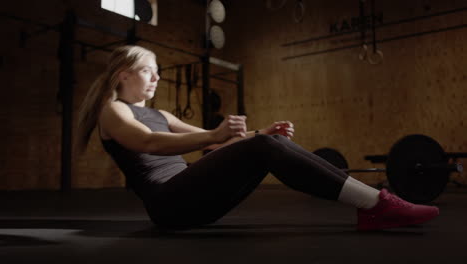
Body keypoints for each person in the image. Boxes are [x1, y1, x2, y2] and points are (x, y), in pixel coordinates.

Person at [76, 45, 439, 231]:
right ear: (123, 75)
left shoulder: (162, 114)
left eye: (157, 74)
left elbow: (214, 144)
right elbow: (149, 144)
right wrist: (226, 136)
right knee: (264, 148)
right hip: (169, 204)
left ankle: (375, 205)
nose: (155, 80)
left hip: (192, 197)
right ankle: (377, 206)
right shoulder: (114, 110)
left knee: (267, 146)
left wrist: (258, 135)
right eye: (147, 72)